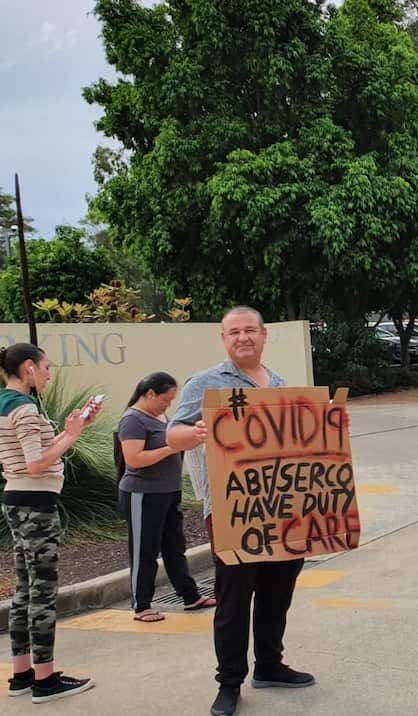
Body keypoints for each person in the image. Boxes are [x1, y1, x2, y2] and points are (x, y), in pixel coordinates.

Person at [167, 307, 314, 716]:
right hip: (235, 512)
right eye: (234, 332)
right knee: (234, 598)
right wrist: (195, 432)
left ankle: (269, 664)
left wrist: (329, 428)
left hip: (283, 507)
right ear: (223, 339)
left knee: (277, 590)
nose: (243, 337)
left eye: (250, 330)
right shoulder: (205, 383)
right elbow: (173, 433)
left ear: (264, 336)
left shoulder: (281, 384)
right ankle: (229, 682)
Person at [0, 342, 103, 703]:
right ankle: (45, 679)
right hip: (35, 503)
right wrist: (71, 435)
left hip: (16, 499)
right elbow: (35, 464)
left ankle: (22, 674)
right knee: (42, 592)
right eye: (46, 367)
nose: (50, 374)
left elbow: (29, 455)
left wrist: (72, 427)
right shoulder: (22, 407)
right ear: (28, 368)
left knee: (24, 588)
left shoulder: (0, 403)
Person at [117, 372, 215, 623]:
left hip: (168, 491)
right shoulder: (133, 420)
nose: (168, 405)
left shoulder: (160, 416)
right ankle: (141, 605)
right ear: (150, 394)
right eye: (165, 399)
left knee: (175, 546)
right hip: (143, 492)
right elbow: (134, 459)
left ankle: (189, 595)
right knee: (144, 550)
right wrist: (173, 446)